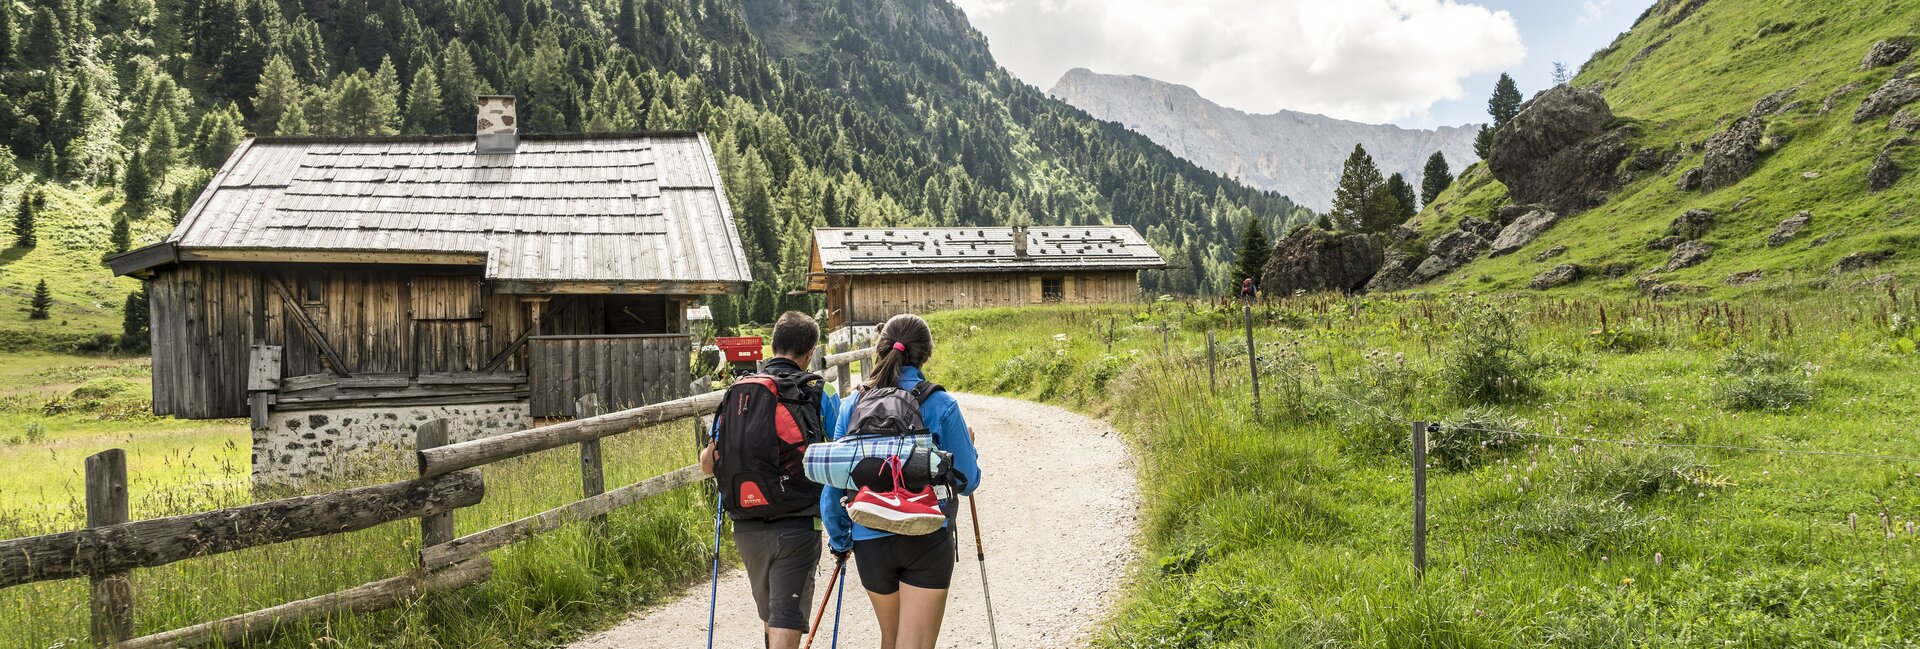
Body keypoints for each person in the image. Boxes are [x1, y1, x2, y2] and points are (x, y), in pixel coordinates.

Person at [821, 313, 983, 649]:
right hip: (926, 534)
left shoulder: (854, 403)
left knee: (891, 639)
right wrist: (971, 448)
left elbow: (834, 482)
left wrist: (841, 540)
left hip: (869, 537)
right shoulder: (941, 403)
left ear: (882, 349)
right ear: (925, 354)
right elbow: (968, 482)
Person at [700, 311, 840, 649]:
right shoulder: (820, 390)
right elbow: (840, 457)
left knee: (771, 617)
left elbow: (708, 463)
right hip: (797, 524)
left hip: (746, 523)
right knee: (786, 620)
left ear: (772, 345)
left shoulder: (739, 391)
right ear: (810, 352)